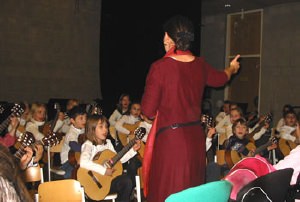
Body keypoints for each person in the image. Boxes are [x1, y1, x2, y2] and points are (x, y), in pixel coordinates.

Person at [141, 15, 240, 202]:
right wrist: (232, 68)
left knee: (168, 192)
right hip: (195, 139)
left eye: (165, 35)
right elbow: (220, 78)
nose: (163, 39)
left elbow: (147, 111)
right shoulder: (200, 65)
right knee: (191, 193)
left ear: (169, 38)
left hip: (172, 142)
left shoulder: (160, 67)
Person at [79, 114, 141, 202]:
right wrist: (103, 171)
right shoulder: (88, 145)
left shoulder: (108, 143)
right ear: (92, 129)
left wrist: (132, 151)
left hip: (108, 182)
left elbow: (117, 160)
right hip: (94, 184)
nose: (105, 130)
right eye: (101, 127)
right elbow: (83, 162)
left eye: (106, 127)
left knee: (127, 181)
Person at [60, 105, 87, 179]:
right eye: (81, 118)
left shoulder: (83, 130)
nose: (84, 121)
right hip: (68, 162)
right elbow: (74, 146)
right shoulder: (71, 133)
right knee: (75, 173)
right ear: (72, 120)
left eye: (85, 118)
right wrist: (88, 149)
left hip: (79, 159)